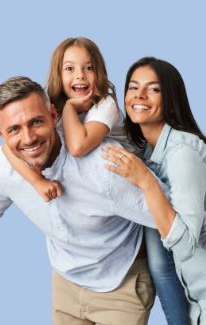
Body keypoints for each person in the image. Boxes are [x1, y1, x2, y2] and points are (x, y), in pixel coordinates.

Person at [0, 76, 171, 325]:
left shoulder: (105, 168)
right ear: (0, 133)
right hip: (65, 283)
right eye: (14, 129)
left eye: (36, 122)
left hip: (120, 285)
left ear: (52, 115)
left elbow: (179, 219)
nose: (28, 139)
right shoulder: (6, 167)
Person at [102, 57, 206, 325]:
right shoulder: (148, 152)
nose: (140, 95)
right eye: (133, 87)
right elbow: (161, 264)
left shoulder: (182, 153)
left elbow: (184, 247)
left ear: (171, 99)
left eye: (154, 89)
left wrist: (146, 182)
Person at [2, 37, 135, 202]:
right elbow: (7, 148)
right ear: (58, 74)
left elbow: (78, 148)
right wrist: (37, 182)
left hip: (129, 175)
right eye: (70, 68)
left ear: (98, 73)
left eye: (88, 68)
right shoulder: (51, 105)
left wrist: (70, 108)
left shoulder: (105, 104)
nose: (80, 76)